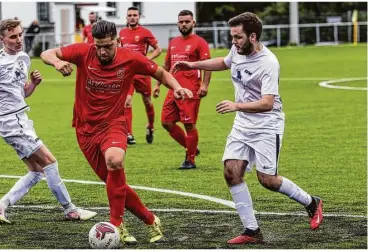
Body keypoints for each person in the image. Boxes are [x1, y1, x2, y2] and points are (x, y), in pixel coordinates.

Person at [172, 12, 324, 244]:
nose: (233, 42)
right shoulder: (238, 50)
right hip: (243, 123)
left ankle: (312, 202)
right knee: (231, 172)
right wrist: (192, 64)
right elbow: (224, 61)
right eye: (232, 37)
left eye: (238, 37)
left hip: (267, 124)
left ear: (253, 37)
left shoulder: (268, 63)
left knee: (268, 180)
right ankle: (252, 231)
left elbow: (267, 103)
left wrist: (236, 105)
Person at [40, 20, 193, 244]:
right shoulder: (84, 52)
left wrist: (177, 87)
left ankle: (116, 223)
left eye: (108, 46)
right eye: (98, 46)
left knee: (114, 160)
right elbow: (47, 52)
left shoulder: (130, 58)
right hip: (85, 130)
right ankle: (150, 220)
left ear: (118, 42)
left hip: (113, 124)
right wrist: (56, 62)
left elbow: (160, 73)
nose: (102, 51)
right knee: (113, 181)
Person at [0, 18, 97, 224]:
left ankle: (1, 206)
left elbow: (22, 93)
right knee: (50, 162)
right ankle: (70, 210)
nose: (18, 40)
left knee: (36, 171)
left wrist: (33, 84)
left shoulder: (23, 58)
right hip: (11, 122)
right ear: (2, 39)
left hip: (20, 118)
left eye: (20, 34)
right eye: (13, 37)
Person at [153, 10, 211, 169]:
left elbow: (207, 65)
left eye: (187, 21)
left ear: (193, 23)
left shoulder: (200, 42)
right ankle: (191, 146)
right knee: (166, 122)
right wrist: (158, 85)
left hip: (190, 91)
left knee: (189, 125)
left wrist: (205, 85)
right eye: (181, 21)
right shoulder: (173, 42)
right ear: (177, 23)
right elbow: (166, 65)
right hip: (173, 89)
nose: (183, 24)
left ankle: (190, 160)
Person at [119, 6, 162, 145]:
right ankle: (129, 134)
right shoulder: (122, 33)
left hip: (142, 73)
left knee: (147, 101)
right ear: (126, 17)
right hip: (127, 73)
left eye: (135, 15)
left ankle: (150, 126)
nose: (132, 17)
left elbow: (158, 49)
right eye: (130, 15)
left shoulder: (145, 32)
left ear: (138, 17)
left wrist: (147, 60)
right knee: (127, 101)